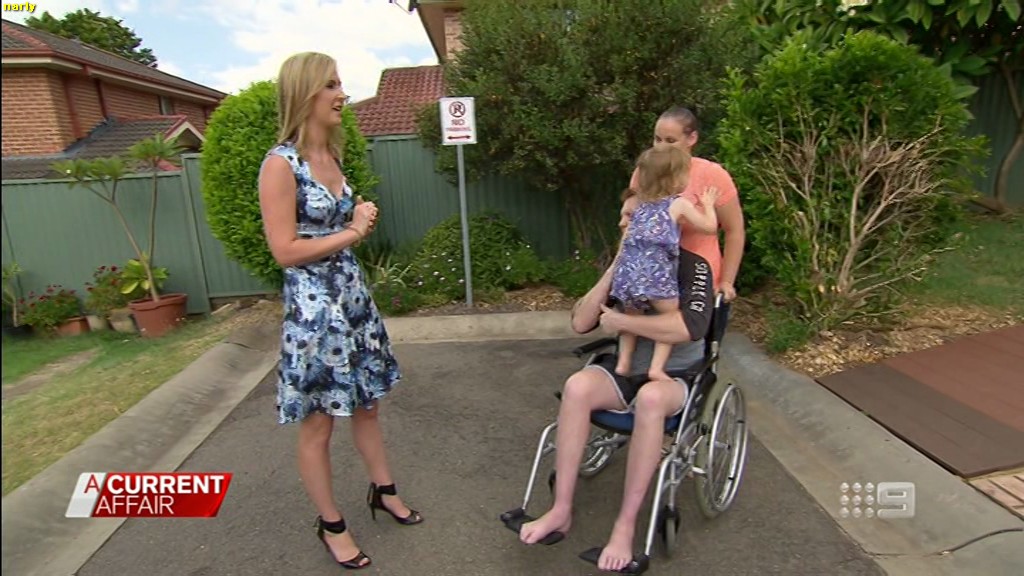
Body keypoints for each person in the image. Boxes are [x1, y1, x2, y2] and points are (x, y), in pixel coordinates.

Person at [517, 106, 745, 573]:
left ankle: (624, 529)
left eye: (632, 215)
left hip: (674, 374)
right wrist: (616, 264)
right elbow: (582, 322)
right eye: (625, 214)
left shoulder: (694, 268)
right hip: (627, 366)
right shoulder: (632, 261)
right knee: (578, 385)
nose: (626, 221)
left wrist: (623, 322)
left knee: (650, 400)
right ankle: (560, 510)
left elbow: (685, 328)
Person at [257, 52, 422, 572]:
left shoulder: (330, 157)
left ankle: (384, 491)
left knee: (368, 404)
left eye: (340, 83)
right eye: (330, 84)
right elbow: (285, 250)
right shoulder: (280, 164)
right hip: (315, 312)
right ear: (305, 93)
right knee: (319, 424)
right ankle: (331, 525)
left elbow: (331, 232)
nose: (342, 94)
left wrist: (355, 218)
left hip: (351, 299)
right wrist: (353, 229)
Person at [610, 145, 719, 382]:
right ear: (675, 179)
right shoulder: (677, 204)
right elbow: (709, 228)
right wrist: (708, 204)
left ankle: (623, 363)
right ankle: (656, 368)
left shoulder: (638, 203)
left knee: (632, 315)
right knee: (669, 317)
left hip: (628, 274)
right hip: (656, 276)